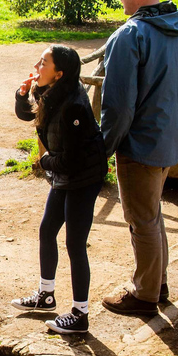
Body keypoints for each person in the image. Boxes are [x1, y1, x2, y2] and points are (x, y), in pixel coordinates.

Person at [100, 0, 178, 317]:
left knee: (141, 219)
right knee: (152, 214)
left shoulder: (131, 35)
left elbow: (119, 105)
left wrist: (103, 148)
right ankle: (158, 282)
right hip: (170, 138)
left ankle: (144, 294)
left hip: (139, 143)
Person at [9, 46, 107, 334]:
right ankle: (46, 296)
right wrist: (21, 95)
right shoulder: (54, 92)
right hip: (65, 173)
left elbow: (74, 159)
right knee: (47, 230)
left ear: (59, 73)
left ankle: (80, 314)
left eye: (44, 62)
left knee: (75, 244)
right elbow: (30, 116)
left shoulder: (74, 104)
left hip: (83, 176)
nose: (37, 65)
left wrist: (44, 160)